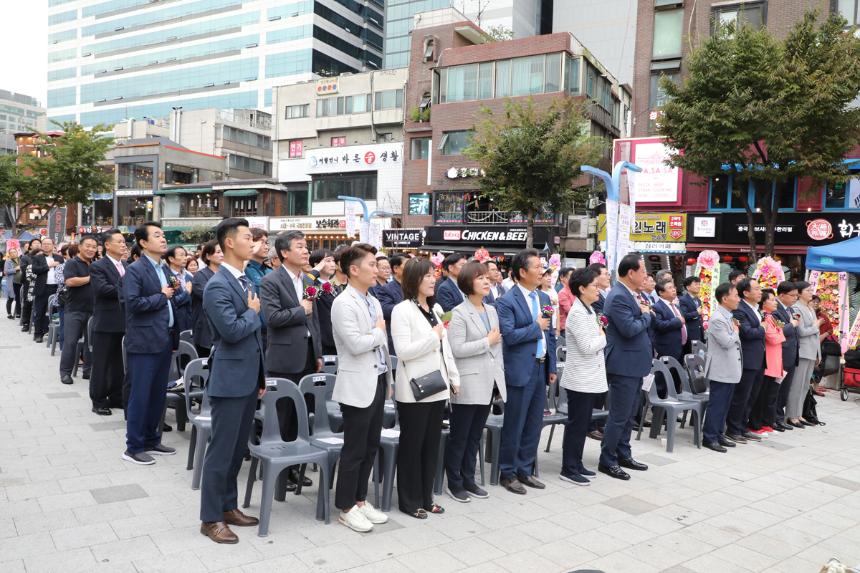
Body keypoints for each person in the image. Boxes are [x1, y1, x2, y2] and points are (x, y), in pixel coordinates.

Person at [199, 218, 265, 545]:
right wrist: (252, 312)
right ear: (229, 243)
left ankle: (228, 506)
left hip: (249, 378)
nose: (252, 242)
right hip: (229, 378)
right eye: (247, 237)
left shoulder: (244, 279)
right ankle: (210, 518)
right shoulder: (217, 285)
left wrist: (261, 377)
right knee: (221, 451)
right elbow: (233, 331)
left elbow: (255, 337)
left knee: (237, 450)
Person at [331, 243, 392, 533]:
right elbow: (355, 344)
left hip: (377, 378)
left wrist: (388, 380)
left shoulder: (373, 300)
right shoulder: (343, 303)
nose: (376, 268)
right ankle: (345, 506)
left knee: (370, 445)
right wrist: (378, 332)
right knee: (354, 448)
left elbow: (379, 343)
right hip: (357, 382)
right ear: (353, 270)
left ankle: (360, 499)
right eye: (371, 264)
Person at [392, 258, 459, 518]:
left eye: (434, 275)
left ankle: (426, 496)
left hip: (438, 385)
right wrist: (434, 336)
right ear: (413, 280)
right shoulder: (402, 310)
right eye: (427, 275)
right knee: (413, 445)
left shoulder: (436, 308)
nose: (433, 280)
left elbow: (446, 349)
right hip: (414, 388)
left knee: (431, 445)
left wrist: (454, 377)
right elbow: (403, 352)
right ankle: (409, 501)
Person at [260, 229, 321, 492]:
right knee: (283, 416)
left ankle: (295, 468)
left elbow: (314, 319)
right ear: (284, 252)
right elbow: (271, 319)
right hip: (284, 358)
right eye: (300, 246)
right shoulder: (271, 281)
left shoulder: (308, 279)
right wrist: (300, 310)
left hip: (307, 354)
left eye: (306, 246)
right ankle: (279, 472)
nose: (306, 250)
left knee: (301, 416)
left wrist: (317, 351)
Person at [495, 248, 557, 494]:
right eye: (537, 266)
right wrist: (535, 326)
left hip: (541, 367)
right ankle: (507, 472)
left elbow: (550, 333)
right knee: (515, 422)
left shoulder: (542, 298)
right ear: (522, 272)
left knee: (534, 422)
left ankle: (525, 468)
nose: (542, 270)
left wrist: (551, 365)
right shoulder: (506, 301)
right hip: (520, 370)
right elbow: (509, 336)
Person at [446, 261, 504, 502]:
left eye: (486, 278)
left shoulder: (491, 310)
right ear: (468, 283)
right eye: (480, 278)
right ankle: (454, 481)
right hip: (468, 383)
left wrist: (499, 379)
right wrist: (485, 342)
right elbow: (457, 349)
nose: (486, 281)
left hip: (488, 381)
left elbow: (498, 346)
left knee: (475, 435)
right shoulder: (458, 313)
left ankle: (469, 478)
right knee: (460, 435)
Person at [121, 222, 178, 465]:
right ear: (143, 242)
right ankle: (133, 446)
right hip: (144, 341)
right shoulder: (135, 270)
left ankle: (151, 439)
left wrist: (175, 292)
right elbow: (132, 304)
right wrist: (161, 296)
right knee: (141, 394)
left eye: (163, 235)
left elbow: (171, 295)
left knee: (157, 394)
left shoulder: (163, 268)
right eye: (157, 235)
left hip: (163, 337)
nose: (163, 239)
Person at [598, 253, 652, 481]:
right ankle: (607, 459)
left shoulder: (632, 294)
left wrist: (643, 313)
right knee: (619, 415)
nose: (646, 276)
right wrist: (646, 315)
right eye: (643, 271)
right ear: (631, 273)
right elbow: (629, 328)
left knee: (629, 415)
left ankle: (623, 453)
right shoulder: (619, 296)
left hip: (634, 364)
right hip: (623, 364)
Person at [559, 268, 607, 484]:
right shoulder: (577, 313)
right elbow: (588, 347)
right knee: (577, 424)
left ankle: (576, 463)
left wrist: (599, 336)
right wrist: (603, 338)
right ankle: (568, 468)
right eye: (594, 286)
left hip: (589, 376)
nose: (598, 290)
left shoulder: (588, 309)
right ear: (581, 288)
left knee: (583, 423)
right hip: (580, 378)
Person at [89, 229, 127, 416]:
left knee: (119, 363)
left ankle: (117, 396)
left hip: (124, 321)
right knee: (102, 363)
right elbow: (103, 290)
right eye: (119, 241)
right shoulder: (99, 266)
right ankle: (98, 400)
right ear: (107, 245)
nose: (123, 244)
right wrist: (128, 289)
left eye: (124, 242)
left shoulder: (127, 264)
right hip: (105, 322)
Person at [701, 282, 743, 453]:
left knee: (725, 404)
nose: (738, 299)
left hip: (729, 368)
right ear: (725, 298)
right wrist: (735, 331)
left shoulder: (728, 316)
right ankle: (709, 437)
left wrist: (734, 329)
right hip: (721, 369)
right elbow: (726, 342)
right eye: (735, 295)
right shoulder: (718, 318)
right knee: (717, 404)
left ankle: (718, 433)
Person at [726, 278, 765, 443]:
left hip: (758, 357)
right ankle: (733, 429)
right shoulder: (740, 310)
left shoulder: (755, 308)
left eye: (760, 289)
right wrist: (763, 328)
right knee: (741, 395)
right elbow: (746, 333)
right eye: (756, 289)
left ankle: (743, 426)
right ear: (746, 293)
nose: (760, 292)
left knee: (752, 396)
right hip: (747, 358)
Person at [59, 236, 98, 385]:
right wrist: (90, 278)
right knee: (70, 342)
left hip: (93, 310)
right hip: (74, 309)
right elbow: (70, 281)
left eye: (94, 247)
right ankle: (65, 373)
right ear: (80, 247)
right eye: (88, 246)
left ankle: (88, 371)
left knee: (91, 343)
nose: (91, 249)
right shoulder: (72, 263)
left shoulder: (96, 264)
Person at [748, 289, 786, 434]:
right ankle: (755, 424)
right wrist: (779, 335)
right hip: (768, 361)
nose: (775, 302)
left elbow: (780, 334)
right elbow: (774, 338)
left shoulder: (772, 317)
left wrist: (779, 334)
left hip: (776, 361)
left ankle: (766, 423)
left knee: (770, 395)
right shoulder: (764, 317)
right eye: (771, 299)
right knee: (761, 395)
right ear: (764, 303)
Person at [786, 281, 821, 428]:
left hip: (812, 351)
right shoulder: (796, 308)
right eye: (807, 290)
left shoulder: (810, 308)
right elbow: (801, 332)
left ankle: (799, 414)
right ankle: (791, 415)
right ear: (799, 293)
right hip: (803, 351)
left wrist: (819, 353)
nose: (811, 292)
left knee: (805, 386)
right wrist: (815, 327)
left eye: (811, 290)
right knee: (797, 385)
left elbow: (816, 334)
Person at [773, 281, 800, 432]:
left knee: (785, 389)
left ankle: (779, 416)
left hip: (791, 354)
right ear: (782, 295)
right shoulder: (776, 310)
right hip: (781, 354)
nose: (795, 298)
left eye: (796, 295)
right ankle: (774, 418)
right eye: (792, 295)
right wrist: (793, 325)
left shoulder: (789, 310)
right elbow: (780, 330)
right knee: (777, 389)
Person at [308, 247, 342, 356]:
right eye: (328, 261)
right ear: (317, 264)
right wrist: (314, 272)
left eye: (333, 261)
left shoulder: (335, 287)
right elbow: (307, 292)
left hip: (338, 338)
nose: (333, 264)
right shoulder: (312, 285)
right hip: (323, 339)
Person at [192, 240, 223, 357]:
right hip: (206, 329)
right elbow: (212, 297)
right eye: (218, 252)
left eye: (223, 252)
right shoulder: (200, 276)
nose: (222, 254)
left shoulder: (227, 274)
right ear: (208, 256)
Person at [30, 238, 64, 343]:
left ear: (53, 245)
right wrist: (48, 265)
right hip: (42, 287)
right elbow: (35, 270)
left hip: (56, 288)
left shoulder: (59, 257)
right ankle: (38, 334)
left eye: (48, 244)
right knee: (39, 311)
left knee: (55, 312)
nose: (46, 245)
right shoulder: (37, 257)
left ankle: (54, 334)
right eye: (44, 244)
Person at [376, 253, 406, 355]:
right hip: (394, 336)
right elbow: (385, 309)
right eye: (407, 265)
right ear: (396, 268)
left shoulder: (411, 287)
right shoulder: (387, 289)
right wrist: (407, 307)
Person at [651, 279, 686, 364]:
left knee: (678, 375)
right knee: (666, 375)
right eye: (670, 288)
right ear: (661, 292)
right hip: (668, 349)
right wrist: (677, 321)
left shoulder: (675, 305)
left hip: (680, 346)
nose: (674, 289)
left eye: (674, 287)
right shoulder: (657, 307)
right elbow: (659, 325)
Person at [165, 245, 194, 333]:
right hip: (176, 323)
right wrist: (186, 292)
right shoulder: (167, 276)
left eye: (185, 255)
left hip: (190, 320)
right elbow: (172, 301)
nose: (185, 258)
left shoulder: (189, 276)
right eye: (181, 255)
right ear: (171, 259)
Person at [811, 295, 834, 396]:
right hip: (808, 344)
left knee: (819, 366)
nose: (815, 303)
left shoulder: (823, 316)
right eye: (813, 301)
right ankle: (807, 387)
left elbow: (830, 330)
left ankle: (815, 388)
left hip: (820, 346)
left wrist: (823, 336)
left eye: (817, 302)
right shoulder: (807, 314)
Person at [19, 238, 40, 332]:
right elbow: (24, 269)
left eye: (39, 243)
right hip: (29, 283)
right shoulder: (25, 257)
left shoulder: (43, 256)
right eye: (35, 243)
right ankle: (26, 323)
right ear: (30, 246)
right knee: (28, 303)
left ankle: (38, 323)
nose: (37, 245)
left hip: (41, 282)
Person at [679, 276, 704, 351]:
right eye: (696, 284)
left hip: (699, 331)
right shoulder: (683, 300)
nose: (699, 286)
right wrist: (697, 313)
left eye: (699, 284)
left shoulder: (698, 300)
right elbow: (684, 315)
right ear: (688, 287)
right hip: (691, 333)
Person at [540, 267, 560, 336]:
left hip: (553, 327)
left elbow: (557, 312)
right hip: (545, 327)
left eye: (549, 275)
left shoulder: (553, 291)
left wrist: (558, 329)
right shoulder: (538, 293)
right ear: (540, 278)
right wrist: (550, 302)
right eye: (545, 276)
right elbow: (550, 313)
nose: (549, 278)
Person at [557, 267, 575, 333]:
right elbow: (570, 311)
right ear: (563, 278)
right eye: (571, 276)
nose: (574, 279)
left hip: (574, 326)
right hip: (566, 328)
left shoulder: (574, 290)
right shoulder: (562, 293)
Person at [4, 248, 21, 319]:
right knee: (10, 298)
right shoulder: (8, 261)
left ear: (17, 253)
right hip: (12, 282)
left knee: (19, 298)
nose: (14, 253)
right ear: (10, 254)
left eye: (15, 252)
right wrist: (15, 269)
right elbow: (6, 271)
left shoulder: (21, 260)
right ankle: (9, 314)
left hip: (20, 282)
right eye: (12, 252)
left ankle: (18, 313)